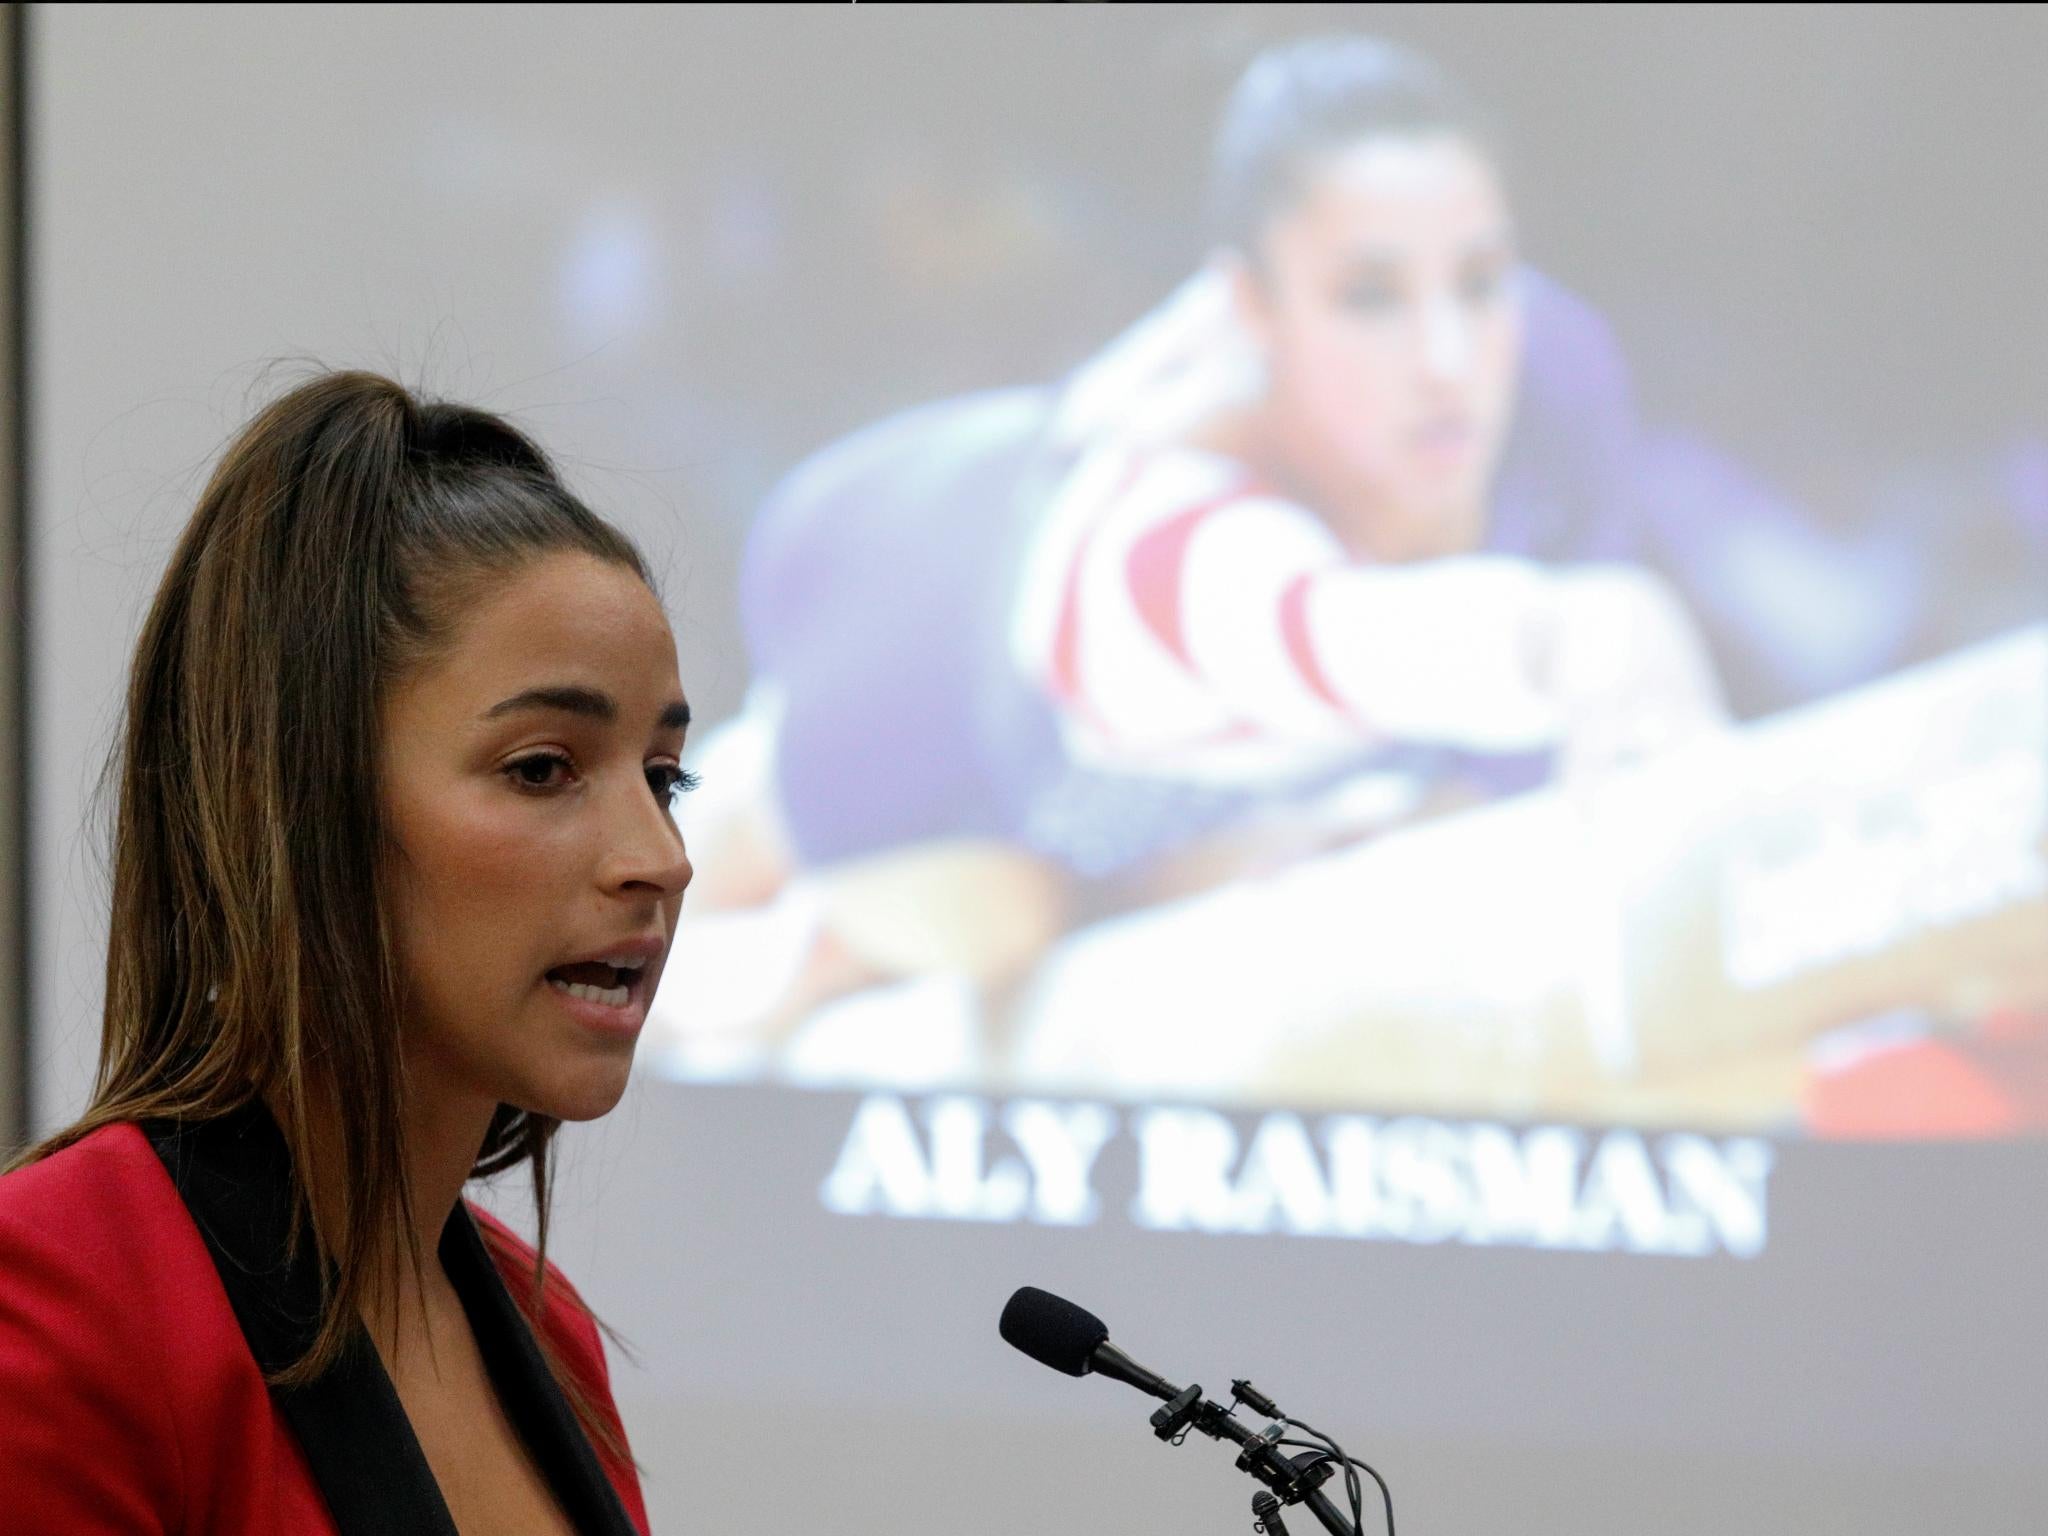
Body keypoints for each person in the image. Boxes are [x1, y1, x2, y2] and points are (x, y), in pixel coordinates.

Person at [656, 35, 1726, 1077]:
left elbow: (1515, 780)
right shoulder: (1176, 533)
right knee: (943, 919)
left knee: (1295, 869)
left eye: (1481, 280)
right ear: (1248, 308)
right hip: (915, 682)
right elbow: (1379, 650)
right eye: (1369, 296)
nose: (1449, 358)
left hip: (1160, 767)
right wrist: (1567, 635)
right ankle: (762, 953)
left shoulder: (1550, 371)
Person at [0, 371, 693, 1533]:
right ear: (302, 796)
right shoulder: (60, 1300)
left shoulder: (546, 1330)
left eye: (665, 779)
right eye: (542, 768)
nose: (658, 856)